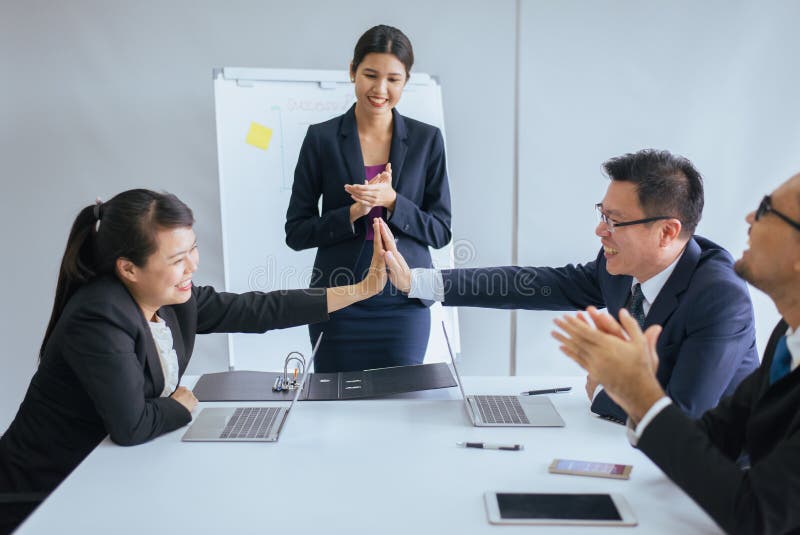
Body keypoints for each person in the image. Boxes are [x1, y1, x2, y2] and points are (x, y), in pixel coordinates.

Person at [0, 190, 389, 533]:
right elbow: (131, 426)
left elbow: (257, 309)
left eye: (193, 249)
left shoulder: (172, 300)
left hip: (100, 476)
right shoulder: (99, 317)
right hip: (42, 494)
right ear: (128, 268)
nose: (192, 266)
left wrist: (360, 290)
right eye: (177, 258)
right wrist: (179, 405)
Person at [379, 149, 758, 421]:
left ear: (667, 232)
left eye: (615, 220)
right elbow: (532, 284)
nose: (600, 230)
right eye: (601, 214)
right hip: (635, 449)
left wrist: (607, 390)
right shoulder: (618, 268)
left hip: (713, 483)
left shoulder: (720, 297)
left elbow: (686, 413)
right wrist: (418, 281)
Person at [552, 173, 800, 534]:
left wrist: (641, 393)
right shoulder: (787, 335)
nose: (749, 218)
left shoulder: (719, 292)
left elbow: (757, 515)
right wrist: (636, 394)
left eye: (766, 210)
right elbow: (716, 438)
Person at [285, 24, 452, 373]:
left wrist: (394, 201)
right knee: (333, 412)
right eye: (370, 75)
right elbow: (297, 232)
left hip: (403, 303)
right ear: (352, 72)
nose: (380, 89)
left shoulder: (427, 140)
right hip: (339, 300)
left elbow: (440, 231)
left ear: (406, 81)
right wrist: (351, 213)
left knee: (401, 409)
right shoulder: (322, 139)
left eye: (393, 79)